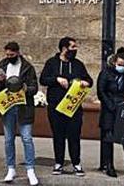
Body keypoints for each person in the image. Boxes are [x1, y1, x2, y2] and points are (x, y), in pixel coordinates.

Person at [39, 36, 93, 176]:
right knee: (58, 135)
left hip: (74, 107)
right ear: (64, 48)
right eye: (73, 47)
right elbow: (43, 79)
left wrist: (85, 82)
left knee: (74, 135)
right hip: (56, 106)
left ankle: (76, 163)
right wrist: (56, 79)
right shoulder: (51, 63)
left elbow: (89, 80)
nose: (75, 49)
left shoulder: (78, 64)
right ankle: (58, 163)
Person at [0, 41, 40, 186]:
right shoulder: (2, 66)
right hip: (8, 107)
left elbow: (35, 87)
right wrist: (0, 81)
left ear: (18, 53)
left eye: (12, 55)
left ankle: (30, 169)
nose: (9, 57)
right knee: (9, 139)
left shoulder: (27, 67)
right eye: (7, 54)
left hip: (23, 107)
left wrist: (26, 88)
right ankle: (11, 168)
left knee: (26, 138)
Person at [97, 48, 124, 178]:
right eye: (120, 64)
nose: (122, 67)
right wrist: (110, 105)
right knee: (108, 137)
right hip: (110, 108)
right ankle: (109, 165)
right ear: (114, 62)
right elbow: (101, 91)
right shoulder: (106, 73)